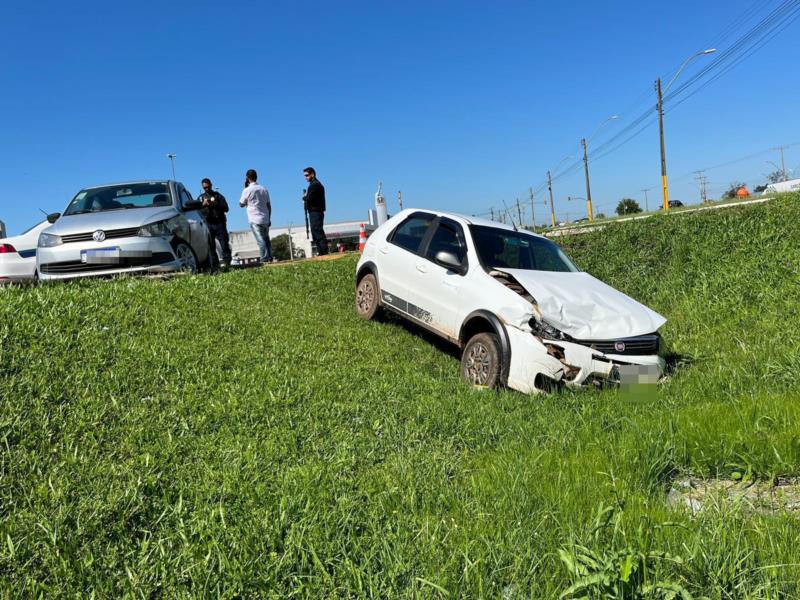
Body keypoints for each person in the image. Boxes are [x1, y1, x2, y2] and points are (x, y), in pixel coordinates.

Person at [239, 169, 273, 264]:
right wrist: (269, 218)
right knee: (266, 239)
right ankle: (270, 256)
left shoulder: (247, 190)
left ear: (247, 178)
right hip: (265, 217)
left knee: (260, 240)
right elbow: (269, 205)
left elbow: (241, 204)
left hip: (254, 218)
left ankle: (264, 258)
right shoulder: (264, 189)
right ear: (256, 177)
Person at [198, 178, 231, 268]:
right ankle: (215, 265)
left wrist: (215, 204)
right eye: (205, 188)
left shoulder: (218, 196)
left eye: (208, 187)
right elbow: (197, 212)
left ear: (211, 185)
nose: (207, 189)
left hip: (220, 223)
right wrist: (203, 205)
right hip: (208, 224)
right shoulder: (201, 198)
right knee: (211, 246)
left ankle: (227, 263)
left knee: (224, 244)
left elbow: (226, 208)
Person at [303, 167, 328, 255]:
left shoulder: (315, 185)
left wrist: (304, 197)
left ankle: (324, 252)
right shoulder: (314, 185)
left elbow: (310, 198)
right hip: (314, 211)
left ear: (312, 174)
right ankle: (321, 252)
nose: (305, 177)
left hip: (316, 211)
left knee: (317, 231)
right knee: (315, 232)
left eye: (307, 175)